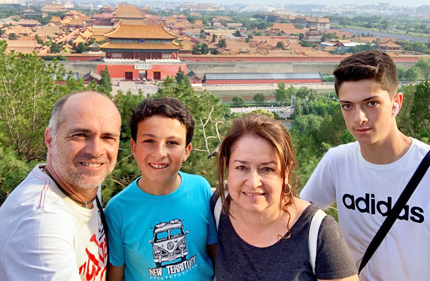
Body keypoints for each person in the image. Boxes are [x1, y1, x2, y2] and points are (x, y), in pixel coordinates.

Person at [300, 50, 430, 281]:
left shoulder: (424, 167)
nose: (358, 118)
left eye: (371, 103)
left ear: (396, 103)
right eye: (347, 106)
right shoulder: (337, 161)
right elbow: (296, 222)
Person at [213, 114, 358, 281]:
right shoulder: (217, 208)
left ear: (286, 172)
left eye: (267, 169)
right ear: (227, 166)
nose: (253, 183)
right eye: (241, 167)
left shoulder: (317, 231)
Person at [0, 91, 122, 281]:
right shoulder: (41, 221)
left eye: (108, 137)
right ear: (50, 139)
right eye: (80, 135)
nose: (96, 150)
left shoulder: (83, 184)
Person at [105, 97, 217, 281]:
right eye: (149, 141)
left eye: (172, 143)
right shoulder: (118, 209)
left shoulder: (201, 189)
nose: (159, 153)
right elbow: (116, 272)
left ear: (187, 151)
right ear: (133, 147)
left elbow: (215, 251)